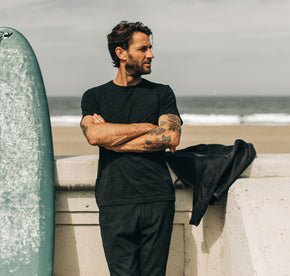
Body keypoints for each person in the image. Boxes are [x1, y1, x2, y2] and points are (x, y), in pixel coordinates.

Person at [80, 21, 182, 276]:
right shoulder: (94, 97)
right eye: (143, 48)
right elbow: (94, 135)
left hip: (157, 198)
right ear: (121, 53)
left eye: (150, 48)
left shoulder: (161, 93)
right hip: (115, 199)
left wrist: (113, 141)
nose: (151, 54)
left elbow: (170, 136)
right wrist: (146, 126)